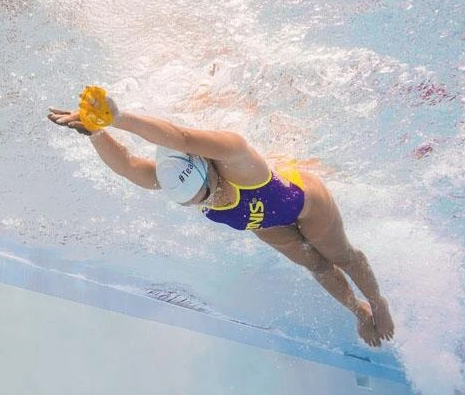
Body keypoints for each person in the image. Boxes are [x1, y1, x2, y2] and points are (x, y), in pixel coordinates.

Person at [47, 86, 395, 347]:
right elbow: (128, 166)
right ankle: (358, 310)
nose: (208, 202)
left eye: (206, 193)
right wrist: (96, 133)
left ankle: (378, 303)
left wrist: (118, 118)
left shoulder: (236, 155)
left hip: (305, 202)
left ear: (205, 168)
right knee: (316, 266)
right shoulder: (175, 180)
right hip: (265, 222)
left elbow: (182, 136)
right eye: (194, 203)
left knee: (340, 257)